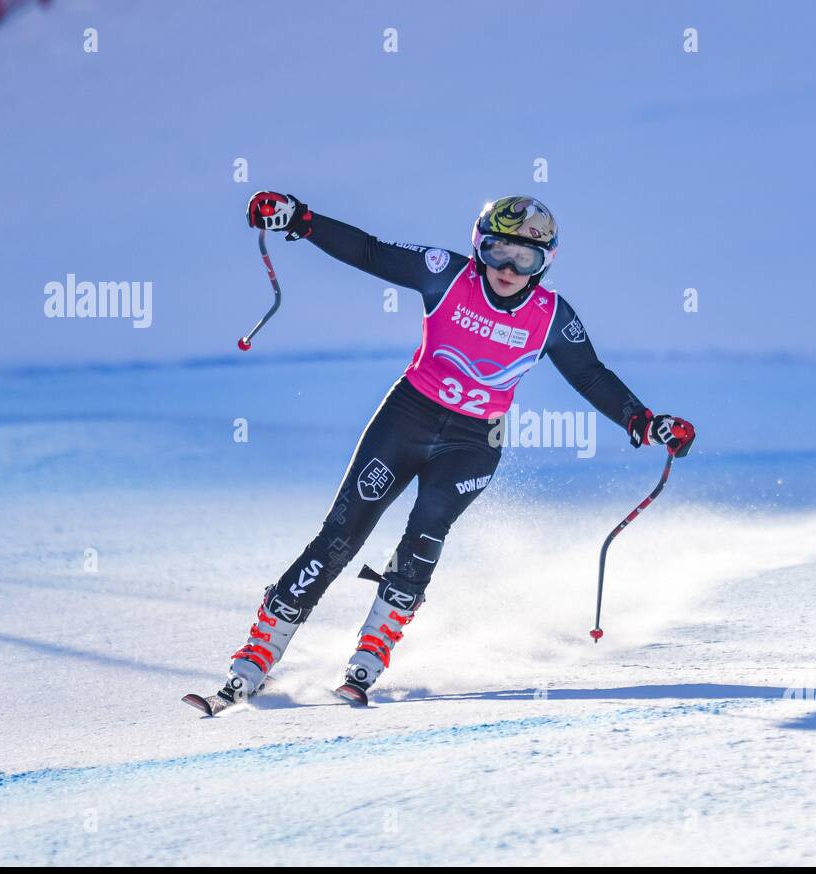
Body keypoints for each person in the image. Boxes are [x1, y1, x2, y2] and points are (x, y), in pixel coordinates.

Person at [218, 192, 696, 707]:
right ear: (478, 246)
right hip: (406, 419)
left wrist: (644, 422)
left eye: (525, 259)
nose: (509, 268)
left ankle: (372, 651)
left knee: (425, 530)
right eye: (497, 252)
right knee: (342, 532)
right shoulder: (444, 273)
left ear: (545, 264)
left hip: (474, 442)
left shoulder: (552, 315)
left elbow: (589, 374)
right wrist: (302, 219)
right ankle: (260, 651)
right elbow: (371, 252)